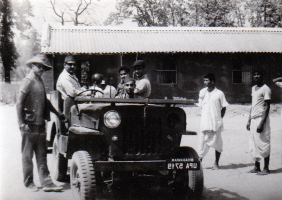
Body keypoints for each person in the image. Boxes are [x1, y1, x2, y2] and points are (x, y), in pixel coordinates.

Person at [16, 54, 64, 192]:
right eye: (39, 66)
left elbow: (45, 101)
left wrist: (57, 113)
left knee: (42, 154)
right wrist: (21, 123)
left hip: (40, 124)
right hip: (29, 125)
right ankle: (29, 182)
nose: (41, 69)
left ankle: (46, 182)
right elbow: (19, 103)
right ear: (32, 66)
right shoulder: (28, 81)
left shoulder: (39, 81)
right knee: (27, 155)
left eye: (43, 67)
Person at [198, 73, 228, 170]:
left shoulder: (219, 93)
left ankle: (216, 163)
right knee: (202, 142)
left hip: (215, 123)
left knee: (218, 143)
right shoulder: (202, 92)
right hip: (205, 122)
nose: (205, 82)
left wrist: (219, 119)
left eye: (207, 80)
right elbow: (201, 106)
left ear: (213, 82)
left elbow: (224, 107)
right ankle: (199, 163)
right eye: (204, 80)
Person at [246, 69, 271, 175]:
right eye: (254, 74)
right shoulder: (253, 88)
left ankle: (266, 168)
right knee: (253, 143)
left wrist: (261, 123)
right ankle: (256, 167)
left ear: (262, 76)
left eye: (258, 74)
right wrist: (249, 120)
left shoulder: (266, 89)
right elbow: (253, 105)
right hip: (253, 119)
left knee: (263, 142)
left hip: (261, 119)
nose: (256, 76)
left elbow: (267, 107)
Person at [56, 55, 86, 120]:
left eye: (74, 65)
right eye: (70, 64)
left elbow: (78, 90)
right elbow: (72, 93)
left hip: (76, 106)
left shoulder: (72, 76)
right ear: (64, 65)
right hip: (69, 109)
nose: (72, 67)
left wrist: (83, 90)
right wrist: (85, 92)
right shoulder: (64, 77)